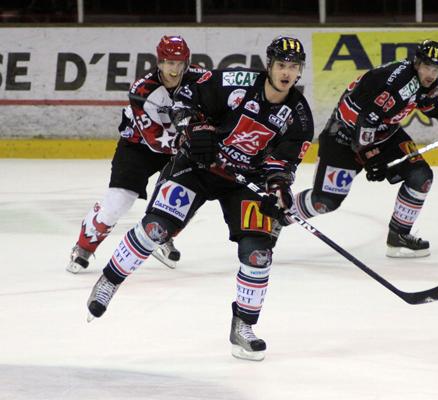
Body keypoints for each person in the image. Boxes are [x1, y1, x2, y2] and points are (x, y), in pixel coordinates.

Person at [84, 36, 314, 362]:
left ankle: (244, 327)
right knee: (155, 229)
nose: (286, 72)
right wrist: (195, 127)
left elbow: (284, 162)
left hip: (242, 183)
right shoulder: (237, 81)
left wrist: (276, 186)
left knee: (259, 252)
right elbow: (187, 97)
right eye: (281, 65)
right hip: (198, 166)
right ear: (269, 65)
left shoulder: (299, 116)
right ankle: (108, 280)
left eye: (293, 67)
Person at [286, 39, 438, 258]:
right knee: (324, 201)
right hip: (343, 137)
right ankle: (278, 215)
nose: (432, 73)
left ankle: (399, 235)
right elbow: (367, 119)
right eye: (428, 67)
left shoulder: (429, 82)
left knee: (421, 176)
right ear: (417, 63)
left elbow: (428, 103)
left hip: (384, 134)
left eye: (437, 69)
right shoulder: (398, 82)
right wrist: (370, 156)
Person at [67, 35, 206, 273]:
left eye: (179, 63)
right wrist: (192, 144)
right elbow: (154, 139)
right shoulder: (142, 89)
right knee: (119, 201)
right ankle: (84, 246)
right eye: (169, 62)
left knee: (185, 195)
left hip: (180, 145)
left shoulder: (201, 79)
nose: (174, 69)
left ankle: (161, 235)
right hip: (137, 147)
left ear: (186, 62)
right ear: (159, 62)